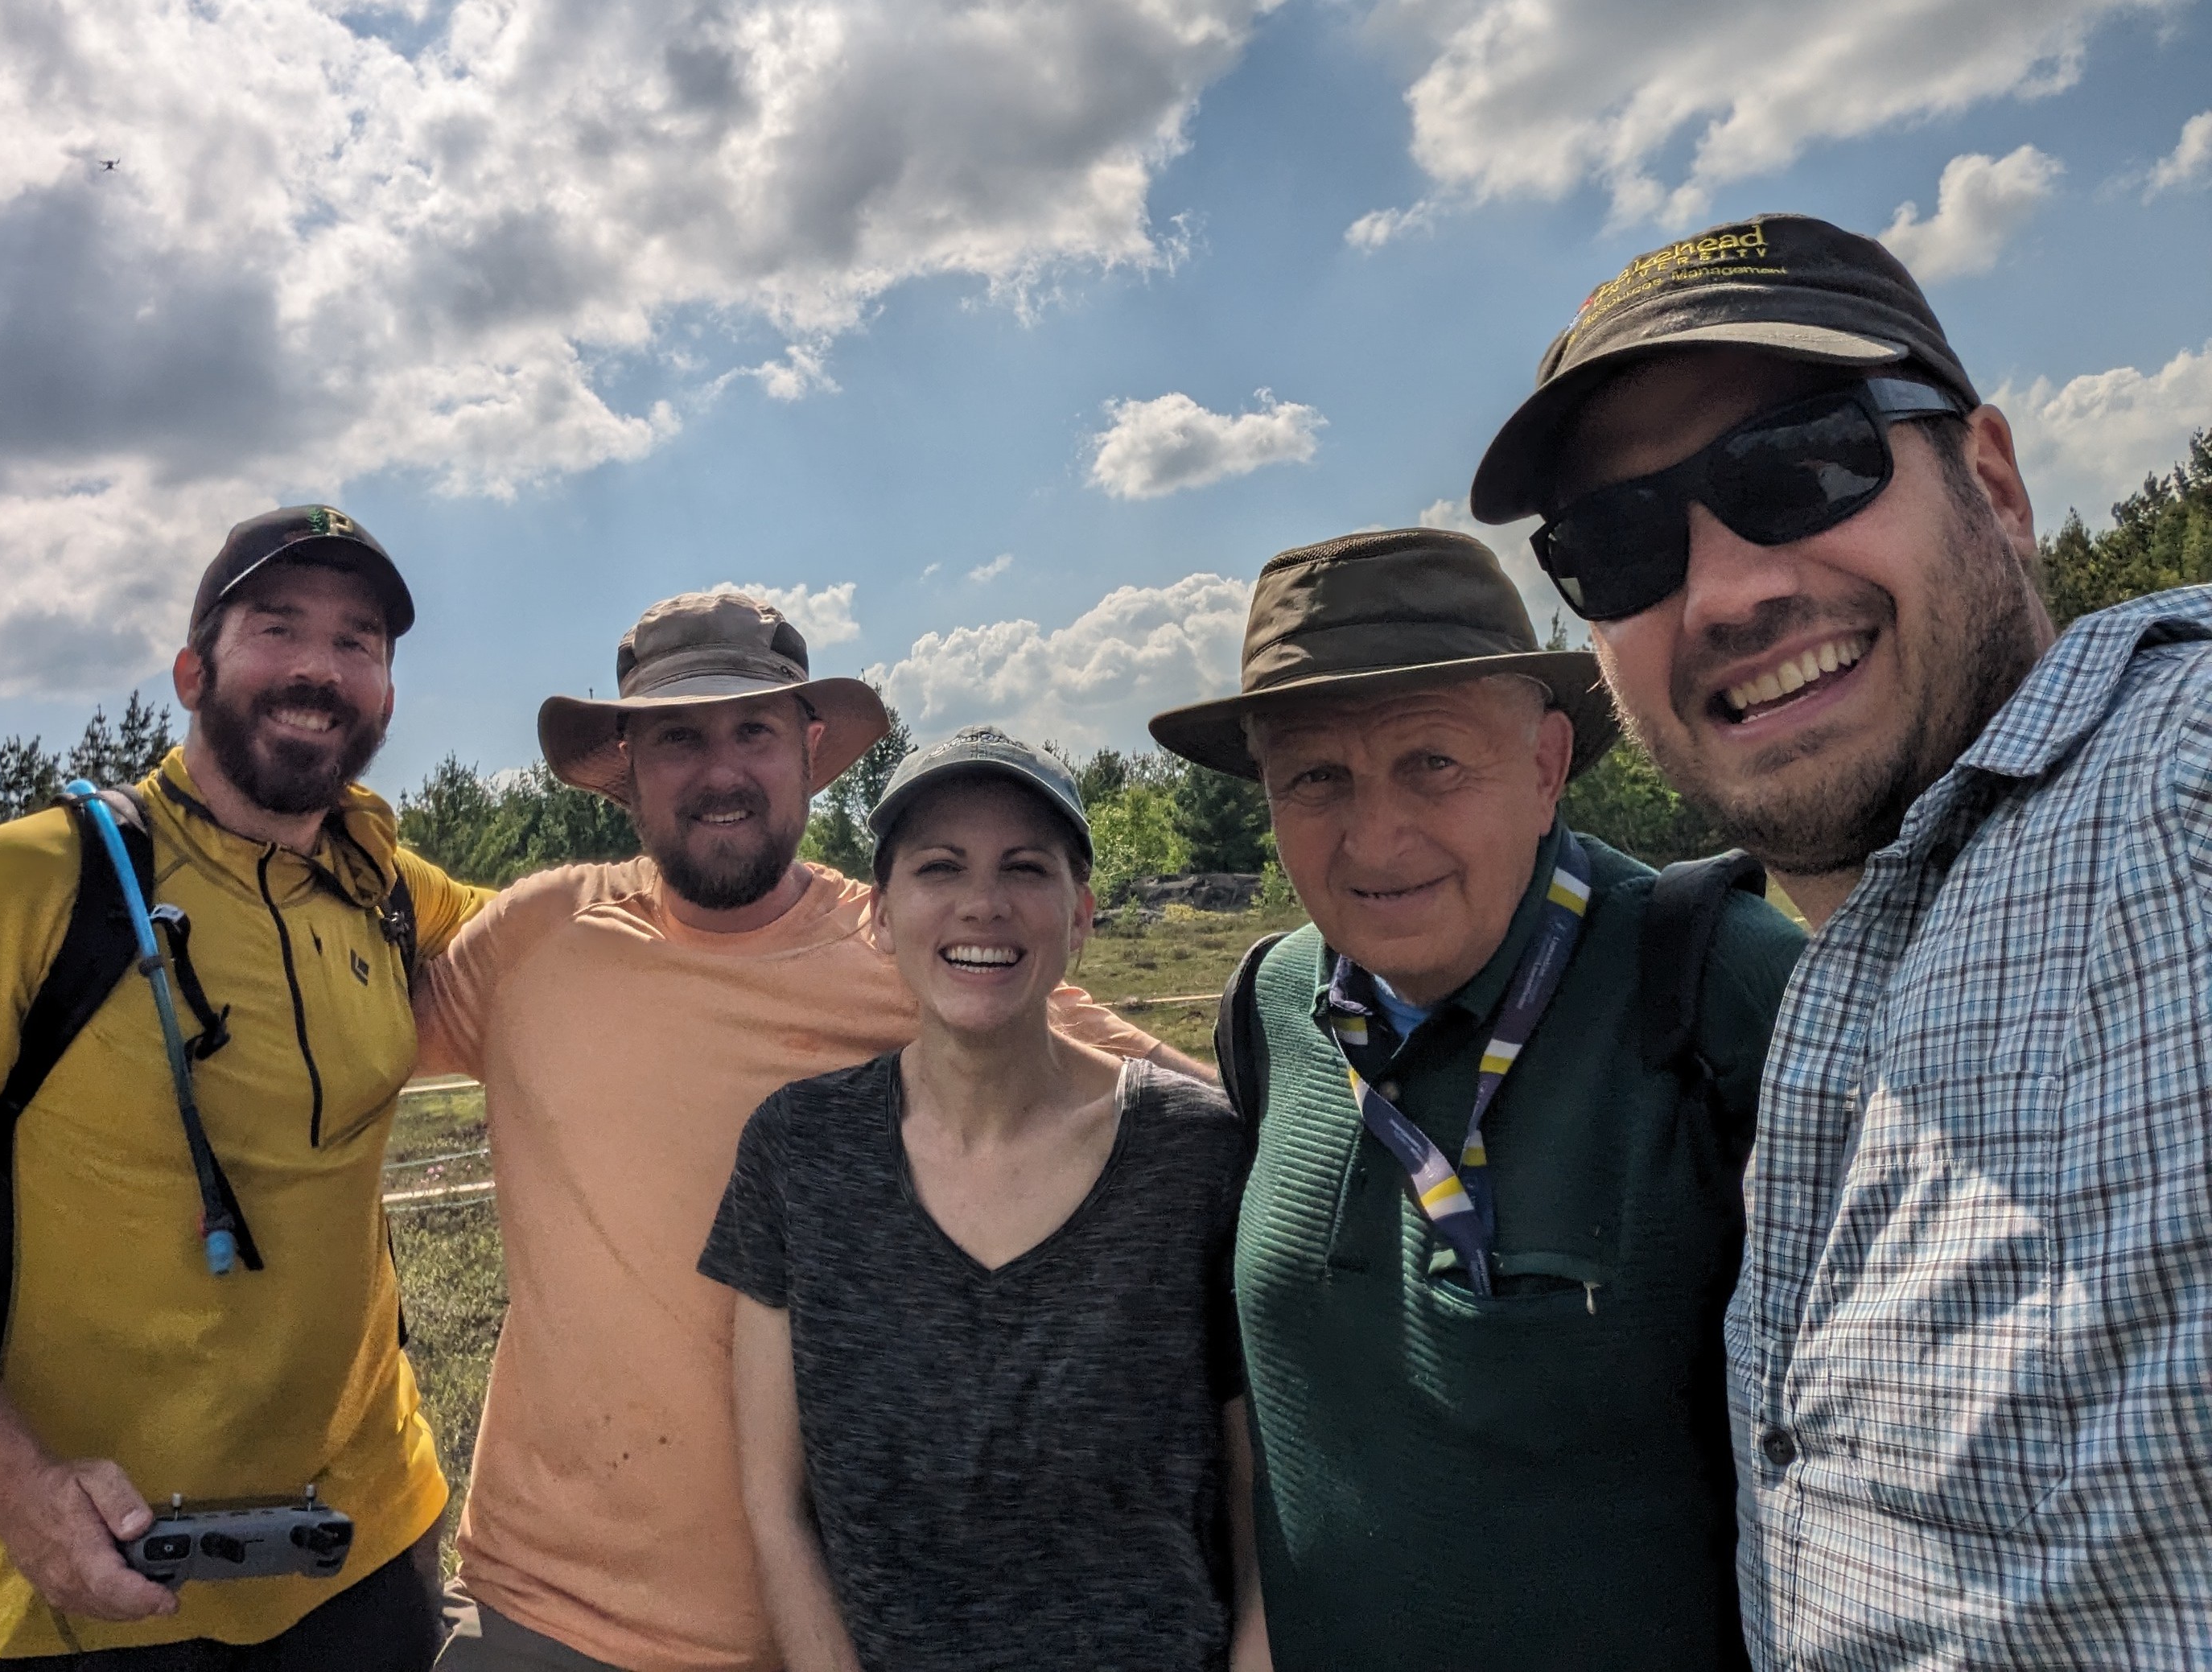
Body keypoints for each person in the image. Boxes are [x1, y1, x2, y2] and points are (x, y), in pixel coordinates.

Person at [1471, 211, 2212, 1666]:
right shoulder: (1848, 963)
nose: (1730, 589)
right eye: (1620, 546)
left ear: (1993, 484)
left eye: (1804, 465)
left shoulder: (2172, 787)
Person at [0, 506, 494, 1665]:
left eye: (360, 642)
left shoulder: (382, 886)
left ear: (388, 694)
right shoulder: (25, 888)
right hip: (87, 1588)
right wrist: (26, 1494)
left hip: (369, 1550)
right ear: (193, 669)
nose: (318, 666)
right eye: (276, 626)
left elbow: (584, 943)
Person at [413, 593, 1203, 1672]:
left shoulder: (909, 940)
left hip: (825, 1620)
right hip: (543, 1605)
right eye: (679, 735)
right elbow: (325, 1053)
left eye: (754, 730)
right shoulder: (534, 938)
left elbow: (1166, 1093)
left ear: (809, 749)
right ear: (628, 763)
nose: (721, 768)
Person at [1147, 528, 1802, 1670]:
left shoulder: (1721, 989)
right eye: (1315, 777)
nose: (1376, 834)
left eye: (1433, 762)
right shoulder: (1268, 1003)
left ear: (1548, 766)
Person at [698, 727, 1267, 1672]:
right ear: (880, 912)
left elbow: (1262, 1507)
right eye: (939, 866)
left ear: (1079, 914)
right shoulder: (799, 1151)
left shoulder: (1195, 1154)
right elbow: (775, 1503)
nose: (983, 903)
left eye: (1025, 868)